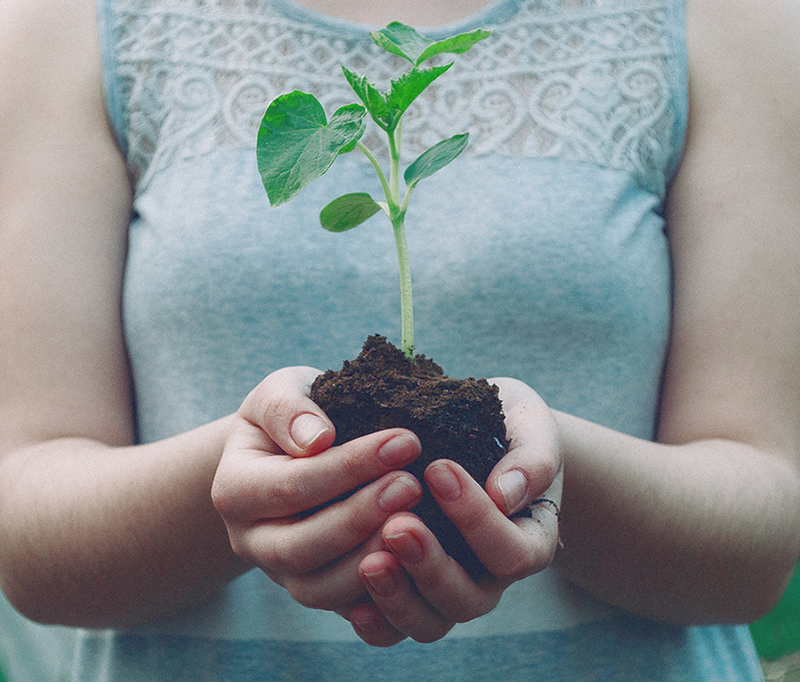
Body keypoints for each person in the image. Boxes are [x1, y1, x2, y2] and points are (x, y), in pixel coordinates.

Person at [1, 0, 799, 679]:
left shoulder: (721, 19)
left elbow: (761, 538)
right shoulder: (74, 21)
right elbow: (26, 525)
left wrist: (548, 471)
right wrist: (240, 489)